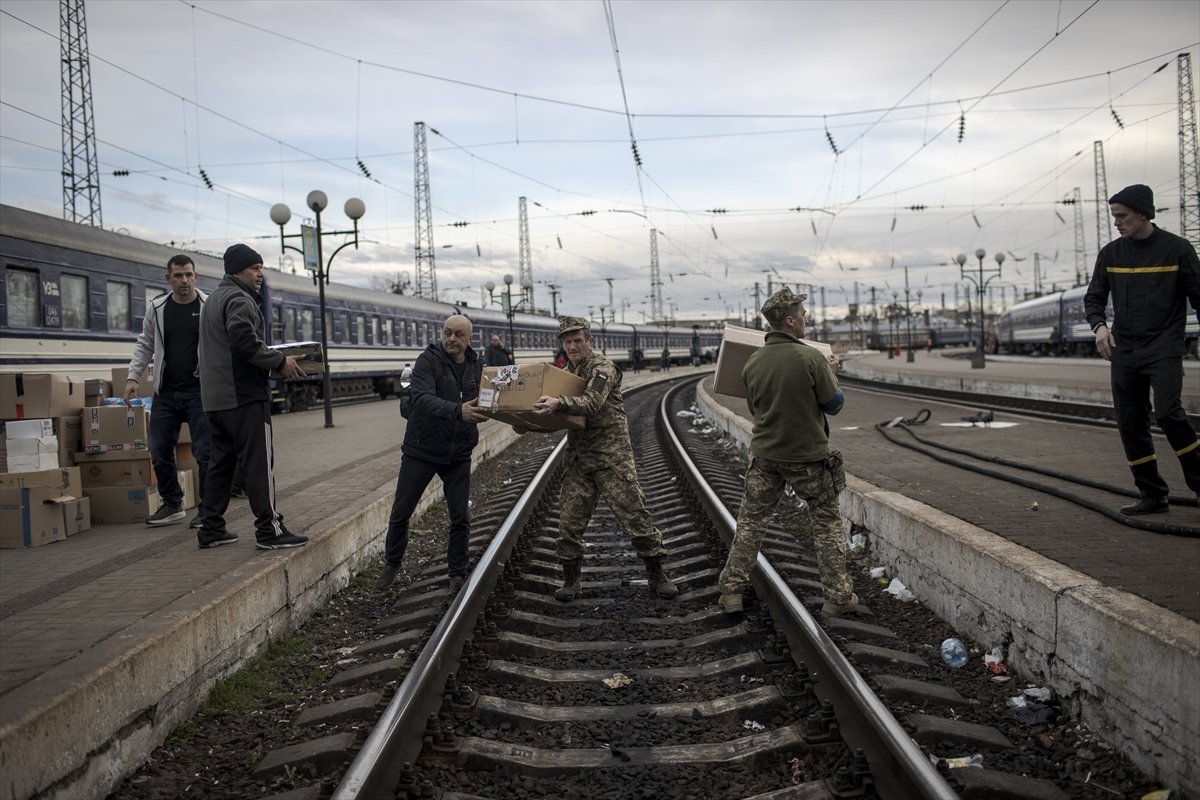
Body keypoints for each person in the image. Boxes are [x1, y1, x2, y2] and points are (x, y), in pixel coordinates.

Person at [717, 287, 858, 617]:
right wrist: (831, 376)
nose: (807, 320)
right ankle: (837, 597)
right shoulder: (810, 358)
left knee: (751, 524)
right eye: (803, 315)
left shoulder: (752, 362)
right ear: (791, 321)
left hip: (766, 457)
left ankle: (732, 591)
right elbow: (833, 405)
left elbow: (755, 407)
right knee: (825, 525)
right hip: (808, 458)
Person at [525, 317, 677, 601]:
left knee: (635, 517)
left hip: (611, 458)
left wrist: (558, 403)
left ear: (589, 341)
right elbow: (565, 417)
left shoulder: (602, 368)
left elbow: (592, 404)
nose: (572, 346)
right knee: (569, 523)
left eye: (577, 341)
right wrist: (528, 421)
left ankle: (658, 575)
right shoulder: (566, 373)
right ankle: (571, 582)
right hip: (579, 459)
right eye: (567, 342)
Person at [1084, 183, 1200, 514]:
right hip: (1125, 349)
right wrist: (1099, 327)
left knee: (1168, 413)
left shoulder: (1178, 249)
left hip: (1163, 346)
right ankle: (1151, 494)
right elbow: (1094, 297)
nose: (1117, 223)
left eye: (1122, 216)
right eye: (1114, 217)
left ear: (1142, 213)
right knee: (1130, 421)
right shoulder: (1110, 253)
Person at [195, 244, 308, 550]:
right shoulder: (239, 299)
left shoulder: (213, 299)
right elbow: (243, 341)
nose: (260, 275)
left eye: (260, 268)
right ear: (236, 270)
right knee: (258, 464)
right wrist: (280, 362)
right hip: (242, 396)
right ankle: (270, 530)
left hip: (216, 398)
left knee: (222, 465)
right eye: (254, 268)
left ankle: (211, 528)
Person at [376, 314, 488, 592]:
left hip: (458, 452)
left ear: (469, 339)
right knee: (401, 512)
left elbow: (492, 401)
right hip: (421, 449)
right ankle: (392, 563)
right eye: (447, 332)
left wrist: (520, 420)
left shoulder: (477, 366)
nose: (451, 338)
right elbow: (422, 398)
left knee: (460, 517)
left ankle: (457, 573)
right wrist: (458, 410)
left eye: (458, 334)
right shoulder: (428, 360)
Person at [125, 255, 210, 529]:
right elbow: (145, 344)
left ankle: (208, 511)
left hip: (200, 392)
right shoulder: (158, 307)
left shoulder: (208, 306)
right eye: (178, 275)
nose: (184, 280)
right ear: (168, 278)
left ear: (195, 276)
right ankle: (173, 504)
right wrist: (132, 377)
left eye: (188, 274)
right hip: (166, 393)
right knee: (159, 449)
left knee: (205, 453)